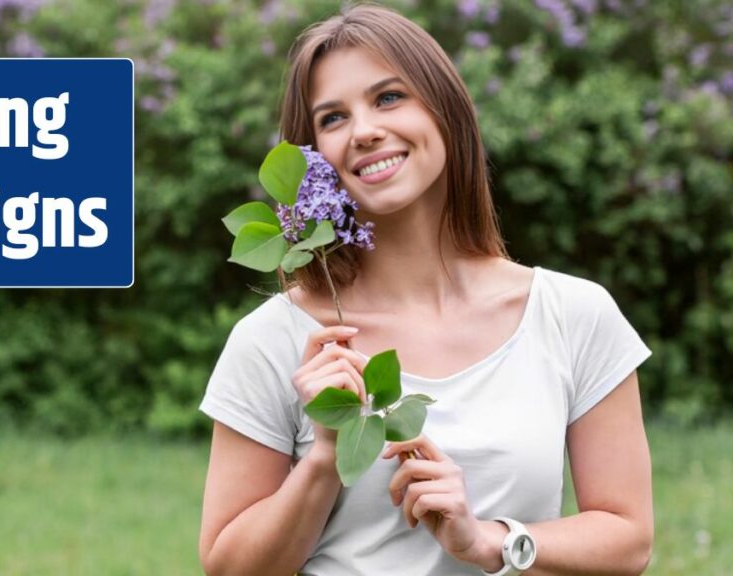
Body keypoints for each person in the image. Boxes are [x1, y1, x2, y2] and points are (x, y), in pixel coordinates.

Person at [198, 4, 654, 576]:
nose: (364, 130)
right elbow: (228, 568)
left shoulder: (573, 315)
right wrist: (322, 459)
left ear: (445, 109)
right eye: (333, 118)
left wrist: (490, 542)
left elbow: (628, 539)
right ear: (312, 158)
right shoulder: (274, 340)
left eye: (389, 97)